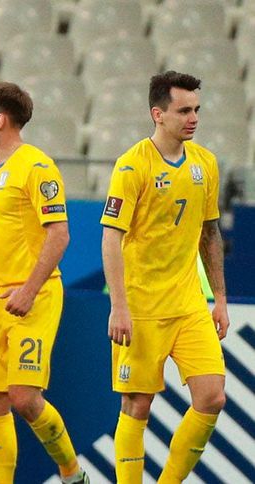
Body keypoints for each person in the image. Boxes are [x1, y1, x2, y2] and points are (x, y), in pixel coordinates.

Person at [0, 82, 88, 484]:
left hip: (34, 296)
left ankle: (72, 473)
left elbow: (59, 234)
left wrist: (29, 290)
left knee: (24, 398)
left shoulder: (37, 166)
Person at [101, 71, 228, 483]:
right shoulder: (132, 165)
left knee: (212, 397)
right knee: (137, 405)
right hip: (141, 307)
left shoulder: (205, 163)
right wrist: (119, 306)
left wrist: (220, 299)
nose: (194, 118)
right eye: (184, 111)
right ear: (158, 114)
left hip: (189, 304)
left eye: (197, 110)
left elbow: (210, 233)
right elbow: (111, 237)